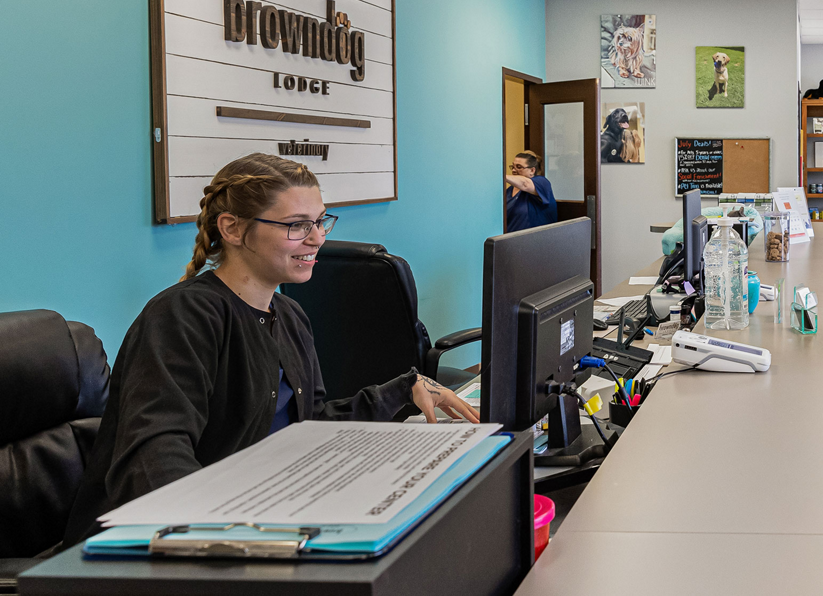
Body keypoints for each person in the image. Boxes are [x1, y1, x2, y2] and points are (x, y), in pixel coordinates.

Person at [64, 153, 478, 545]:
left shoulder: (289, 314)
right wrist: (228, 539)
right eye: (296, 225)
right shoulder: (183, 315)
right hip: (171, 542)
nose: (316, 238)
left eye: (320, 221)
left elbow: (308, 426)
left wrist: (401, 391)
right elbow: (154, 457)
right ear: (232, 229)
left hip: (263, 510)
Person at [504, 150, 558, 231]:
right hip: (511, 239)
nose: (514, 170)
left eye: (519, 167)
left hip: (537, 239)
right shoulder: (509, 191)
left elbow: (525, 184)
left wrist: (501, 176)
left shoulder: (542, 183)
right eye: (513, 167)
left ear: (532, 170)